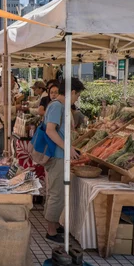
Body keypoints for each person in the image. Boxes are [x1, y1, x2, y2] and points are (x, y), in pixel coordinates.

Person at [44, 78, 85, 243]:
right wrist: (67, 147)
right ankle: (51, 231)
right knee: (57, 193)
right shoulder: (57, 106)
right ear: (72, 92)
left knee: (56, 191)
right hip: (57, 155)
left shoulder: (60, 106)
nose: (77, 99)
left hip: (60, 154)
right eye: (77, 95)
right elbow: (50, 131)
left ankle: (53, 224)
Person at [0, 76, 24, 160]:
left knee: (9, 148)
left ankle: (6, 165)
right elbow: (1, 108)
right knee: (2, 147)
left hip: (10, 123)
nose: (14, 83)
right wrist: (15, 108)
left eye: (14, 81)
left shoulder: (9, 92)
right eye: (12, 81)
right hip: (2, 124)